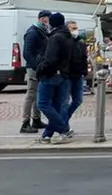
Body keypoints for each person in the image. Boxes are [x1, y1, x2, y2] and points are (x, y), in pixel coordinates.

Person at [35, 12, 73, 144]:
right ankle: (47, 135)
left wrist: (40, 70)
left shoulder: (55, 37)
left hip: (50, 75)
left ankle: (64, 129)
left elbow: (50, 59)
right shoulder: (67, 36)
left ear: (53, 23)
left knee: (43, 104)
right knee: (56, 106)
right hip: (63, 75)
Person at [20, 10, 50, 134]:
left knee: (37, 94)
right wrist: (36, 66)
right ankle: (25, 123)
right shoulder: (32, 32)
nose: (47, 20)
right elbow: (27, 52)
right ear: (41, 18)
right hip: (33, 68)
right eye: (46, 18)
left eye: (48, 18)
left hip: (39, 67)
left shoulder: (42, 31)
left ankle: (36, 119)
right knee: (31, 94)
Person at [62, 21, 88, 135]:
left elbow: (84, 58)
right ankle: (64, 127)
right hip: (67, 76)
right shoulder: (64, 41)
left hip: (78, 75)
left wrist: (84, 71)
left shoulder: (80, 43)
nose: (75, 30)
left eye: (76, 28)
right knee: (65, 102)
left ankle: (62, 121)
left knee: (78, 100)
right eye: (73, 28)